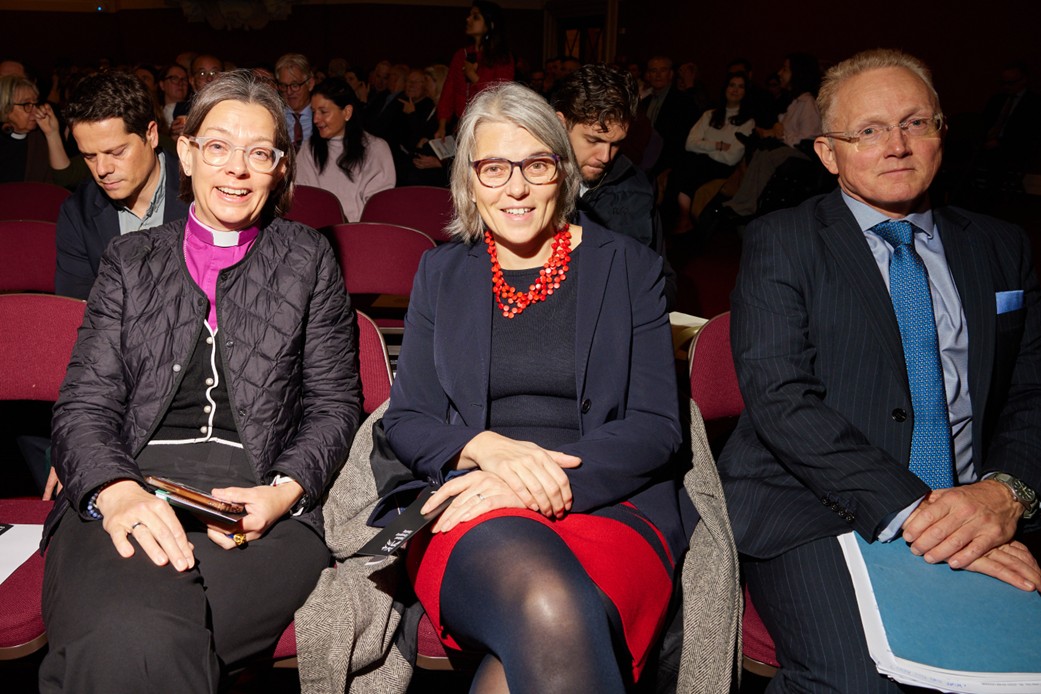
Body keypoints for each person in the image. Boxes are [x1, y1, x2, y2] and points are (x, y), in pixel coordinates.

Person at [718, 48, 1041, 692]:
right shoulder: (783, 241)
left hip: (980, 497)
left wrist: (1006, 493)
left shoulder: (1002, 245)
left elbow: (1031, 392)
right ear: (828, 153)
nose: (897, 146)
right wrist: (920, 511)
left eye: (915, 123)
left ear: (941, 132)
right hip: (815, 503)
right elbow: (781, 399)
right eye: (868, 131)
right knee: (858, 683)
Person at [39, 69, 361, 692]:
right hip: (130, 483)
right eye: (217, 147)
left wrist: (282, 493)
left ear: (279, 168)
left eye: (258, 153)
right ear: (185, 153)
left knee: (125, 640)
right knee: (139, 640)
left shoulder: (308, 258)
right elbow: (84, 405)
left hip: (260, 508)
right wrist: (114, 489)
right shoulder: (129, 261)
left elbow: (334, 405)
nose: (236, 168)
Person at [380, 81, 697, 692]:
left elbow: (657, 426)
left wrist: (528, 481)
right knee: (550, 606)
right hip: (472, 503)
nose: (516, 187)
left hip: (609, 500)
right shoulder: (440, 272)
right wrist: (485, 450)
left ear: (563, 170)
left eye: (536, 165)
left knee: (542, 634)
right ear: (470, 179)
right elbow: (408, 419)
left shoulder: (630, 267)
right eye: (494, 168)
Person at [550, 63, 676, 308]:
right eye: (593, 140)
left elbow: (663, 278)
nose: (605, 156)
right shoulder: (527, 184)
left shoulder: (637, 187)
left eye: (616, 143)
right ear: (561, 124)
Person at [55, 71, 188, 300]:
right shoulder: (77, 212)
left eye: (116, 152)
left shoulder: (203, 193)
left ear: (151, 135)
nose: (102, 169)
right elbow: (76, 307)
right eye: (89, 156)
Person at [722, 52, 821, 218]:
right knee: (761, 151)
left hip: (802, 156)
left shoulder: (808, 103)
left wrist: (780, 135)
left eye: (785, 69)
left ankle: (744, 206)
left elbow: (808, 139)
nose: (780, 73)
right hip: (787, 149)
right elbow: (784, 128)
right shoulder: (795, 102)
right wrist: (773, 131)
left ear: (798, 73)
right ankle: (741, 203)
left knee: (767, 154)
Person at [295, 77, 394, 223]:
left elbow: (378, 206)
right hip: (317, 229)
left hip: (361, 230)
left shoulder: (376, 148)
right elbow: (305, 197)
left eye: (323, 112)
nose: (315, 119)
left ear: (347, 112)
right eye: (314, 112)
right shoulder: (310, 148)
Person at [672, 72, 755, 233]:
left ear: (745, 92)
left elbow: (732, 157)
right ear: (725, 88)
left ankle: (683, 219)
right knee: (682, 166)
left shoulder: (747, 122)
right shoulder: (709, 114)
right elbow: (689, 144)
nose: (735, 90)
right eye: (732, 85)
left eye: (740, 87)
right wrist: (718, 145)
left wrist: (704, 147)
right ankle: (682, 219)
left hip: (722, 167)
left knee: (688, 168)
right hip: (698, 160)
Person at [434, 1, 514, 141]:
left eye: (475, 17)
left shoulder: (502, 57)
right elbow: (448, 91)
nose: (468, 19)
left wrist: (473, 76)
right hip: (462, 127)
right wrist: (442, 126)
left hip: (490, 127)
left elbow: (501, 94)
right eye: (470, 15)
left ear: (490, 25)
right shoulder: (461, 55)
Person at [0, 75, 64, 183]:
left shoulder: (40, 138)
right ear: (5, 108)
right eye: (27, 104)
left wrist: (52, 133)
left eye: (35, 104)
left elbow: (61, 179)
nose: (35, 111)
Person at [275, 53, 315, 151]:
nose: (289, 92)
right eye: (284, 86)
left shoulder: (323, 118)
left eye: (295, 85)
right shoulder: (275, 117)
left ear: (310, 84)